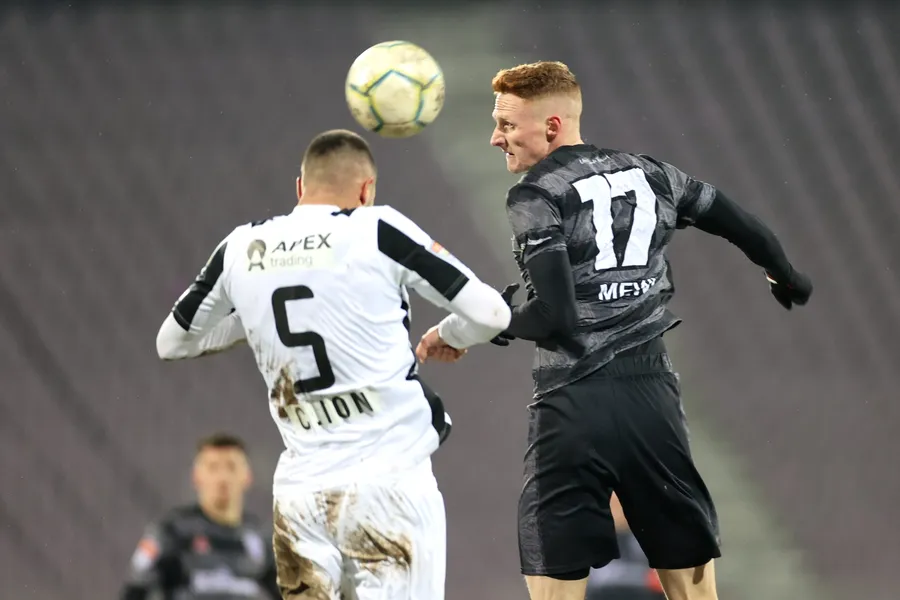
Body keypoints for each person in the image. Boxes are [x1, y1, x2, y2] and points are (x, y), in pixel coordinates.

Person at [417, 62, 812, 600]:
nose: (495, 137)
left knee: (556, 584)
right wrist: (784, 275)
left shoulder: (536, 194)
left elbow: (555, 316)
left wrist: (475, 327)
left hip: (572, 403)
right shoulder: (653, 174)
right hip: (651, 399)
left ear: (552, 127)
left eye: (506, 125)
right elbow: (741, 225)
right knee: (694, 591)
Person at [155, 129, 511, 600]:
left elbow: (172, 342)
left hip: (301, 495)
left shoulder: (242, 246)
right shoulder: (376, 229)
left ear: (299, 187)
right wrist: (448, 335)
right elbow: (492, 314)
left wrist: (252, 319)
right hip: (389, 486)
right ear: (366, 190)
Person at [120, 433, 280, 600]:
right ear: (196, 476)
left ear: (247, 476)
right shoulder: (173, 533)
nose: (222, 477)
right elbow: (134, 590)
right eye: (213, 467)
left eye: (231, 467)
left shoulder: (261, 540)